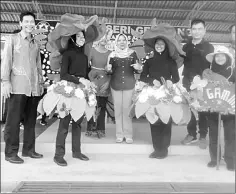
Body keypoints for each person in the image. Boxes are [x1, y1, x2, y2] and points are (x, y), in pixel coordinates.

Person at [1, 11, 44, 164]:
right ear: (20, 23)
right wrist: (5, 81)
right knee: (13, 122)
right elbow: (6, 61)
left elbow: (38, 66)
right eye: (26, 21)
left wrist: (41, 84)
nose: (29, 24)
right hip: (17, 87)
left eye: (32, 22)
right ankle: (11, 153)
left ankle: (29, 149)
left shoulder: (35, 44)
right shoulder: (12, 39)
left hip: (33, 89)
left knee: (31, 121)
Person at [140, 38, 180, 159]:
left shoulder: (171, 62)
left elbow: (176, 78)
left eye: (162, 44)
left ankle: (164, 149)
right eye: (157, 44)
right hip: (153, 93)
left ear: (166, 46)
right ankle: (157, 148)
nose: (159, 46)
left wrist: (169, 81)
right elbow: (143, 77)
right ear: (154, 46)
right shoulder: (149, 61)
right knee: (154, 120)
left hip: (167, 94)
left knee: (166, 120)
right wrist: (152, 80)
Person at [181, 19, 214, 149]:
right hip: (188, 82)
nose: (197, 31)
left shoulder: (209, 46)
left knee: (202, 110)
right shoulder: (186, 46)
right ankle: (191, 134)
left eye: (200, 29)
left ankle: (203, 136)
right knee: (190, 110)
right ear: (191, 30)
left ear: (204, 30)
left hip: (203, 83)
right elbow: (179, 61)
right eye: (194, 29)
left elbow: (213, 65)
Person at [106, 34, 142, 144]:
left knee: (127, 110)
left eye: (124, 40)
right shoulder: (112, 55)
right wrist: (108, 69)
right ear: (116, 42)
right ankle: (119, 135)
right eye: (119, 40)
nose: (122, 42)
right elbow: (109, 71)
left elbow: (138, 70)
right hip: (115, 85)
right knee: (118, 110)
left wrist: (139, 68)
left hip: (129, 85)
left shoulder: (133, 54)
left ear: (127, 42)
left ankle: (128, 135)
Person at [205, 46, 235, 171]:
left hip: (230, 109)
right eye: (217, 56)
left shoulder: (234, 72)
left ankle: (230, 159)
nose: (220, 58)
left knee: (230, 136)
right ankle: (214, 158)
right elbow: (204, 89)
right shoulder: (208, 73)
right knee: (213, 134)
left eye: (223, 55)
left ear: (227, 57)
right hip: (213, 109)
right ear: (214, 58)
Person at [86, 31, 112, 138]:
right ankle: (90, 128)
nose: (104, 40)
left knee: (101, 106)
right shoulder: (91, 51)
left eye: (106, 38)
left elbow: (111, 70)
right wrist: (89, 81)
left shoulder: (110, 53)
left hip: (105, 80)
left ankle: (101, 129)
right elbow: (86, 66)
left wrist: (108, 82)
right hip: (92, 79)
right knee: (91, 104)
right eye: (102, 37)